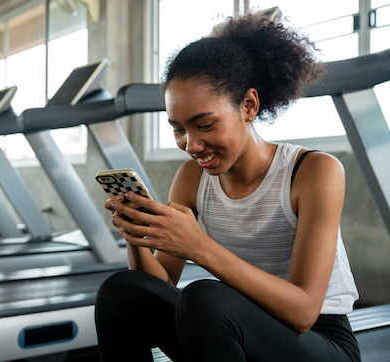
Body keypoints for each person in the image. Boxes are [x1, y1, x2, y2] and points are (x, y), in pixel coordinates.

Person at [94, 12, 361, 362]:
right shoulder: (192, 178)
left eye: (204, 124)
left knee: (206, 298)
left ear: (248, 106)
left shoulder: (314, 172)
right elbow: (160, 283)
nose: (191, 145)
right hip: (229, 327)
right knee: (122, 290)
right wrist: (138, 237)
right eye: (178, 129)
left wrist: (199, 246)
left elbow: (303, 312)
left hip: (318, 340)